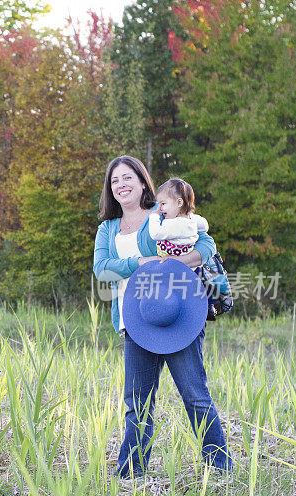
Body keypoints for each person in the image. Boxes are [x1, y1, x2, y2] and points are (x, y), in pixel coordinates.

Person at [93, 156, 232, 478]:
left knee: (196, 397)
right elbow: (102, 270)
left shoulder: (163, 214)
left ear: (143, 182)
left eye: (128, 177)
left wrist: (183, 261)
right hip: (136, 322)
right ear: (109, 189)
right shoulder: (108, 228)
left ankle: (220, 468)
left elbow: (207, 242)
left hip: (179, 316)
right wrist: (140, 262)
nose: (121, 185)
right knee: (137, 404)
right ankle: (130, 473)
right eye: (115, 180)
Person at [147, 178, 209, 257]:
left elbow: (155, 234)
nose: (159, 208)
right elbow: (205, 226)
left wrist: (154, 217)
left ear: (179, 202)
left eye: (163, 203)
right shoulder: (191, 219)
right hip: (188, 266)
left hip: (173, 266)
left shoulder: (175, 224)